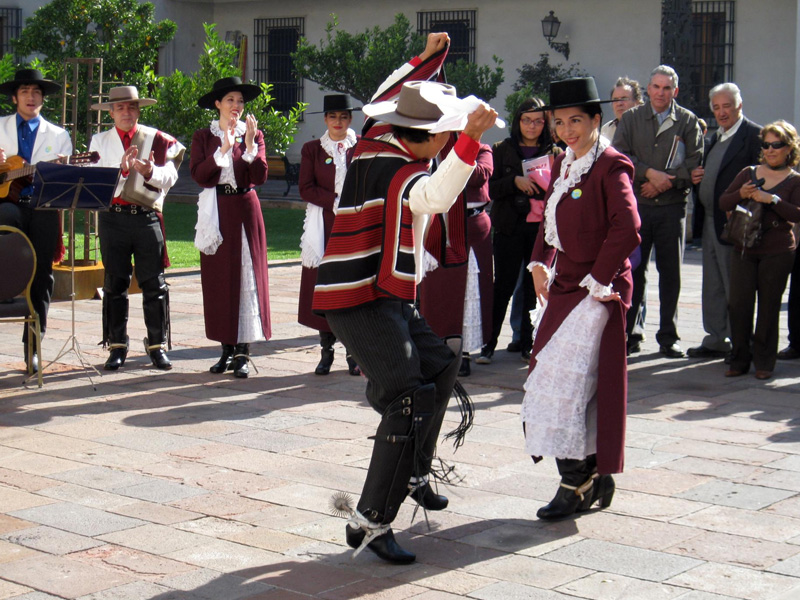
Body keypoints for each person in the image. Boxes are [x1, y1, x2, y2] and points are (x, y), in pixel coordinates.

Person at [313, 32, 498, 564]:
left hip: (381, 293)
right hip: (358, 299)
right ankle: (369, 521)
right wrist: (470, 139)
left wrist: (427, 57)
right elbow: (437, 197)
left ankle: (413, 470)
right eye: (444, 136)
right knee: (406, 398)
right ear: (431, 138)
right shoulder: (403, 171)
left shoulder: (376, 135)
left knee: (441, 364)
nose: (446, 143)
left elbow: (390, 91)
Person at [523, 77, 640, 521]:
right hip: (566, 284)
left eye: (576, 120)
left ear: (596, 119)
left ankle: (576, 481)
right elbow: (548, 219)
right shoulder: (563, 162)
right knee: (556, 379)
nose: (567, 130)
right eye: (559, 122)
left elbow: (628, 227)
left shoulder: (612, 165)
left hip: (599, 289)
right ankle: (590, 474)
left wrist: (597, 278)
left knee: (567, 384)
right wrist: (540, 261)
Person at [90, 86, 185, 371]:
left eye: (131, 107)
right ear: (111, 112)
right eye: (120, 108)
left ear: (138, 110)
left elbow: (171, 176)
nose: (126, 112)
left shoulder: (156, 138)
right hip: (113, 218)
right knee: (114, 284)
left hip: (146, 217)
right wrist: (121, 170)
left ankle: (157, 346)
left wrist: (150, 172)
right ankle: (117, 346)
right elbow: (95, 182)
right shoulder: (99, 140)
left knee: (154, 284)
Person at [613, 65, 703, 358]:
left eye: (667, 88)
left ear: (675, 91)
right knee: (634, 271)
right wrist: (649, 174)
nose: (661, 93)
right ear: (648, 89)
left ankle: (668, 337)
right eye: (656, 87)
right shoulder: (631, 118)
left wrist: (664, 183)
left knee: (671, 274)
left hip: (671, 208)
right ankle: (629, 333)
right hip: (638, 207)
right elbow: (620, 157)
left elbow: (694, 165)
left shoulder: (687, 121)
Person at [191, 77, 270, 378]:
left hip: (245, 210)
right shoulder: (204, 136)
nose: (236, 106)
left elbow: (259, 176)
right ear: (218, 104)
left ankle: (242, 352)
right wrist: (223, 149)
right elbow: (200, 175)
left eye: (240, 101)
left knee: (246, 276)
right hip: (217, 211)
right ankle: (225, 348)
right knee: (220, 280)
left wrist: (249, 146)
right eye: (230, 100)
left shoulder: (254, 134)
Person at [477, 97, 560, 365]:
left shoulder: (555, 152)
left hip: (540, 229)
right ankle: (488, 344)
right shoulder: (501, 149)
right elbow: (489, 189)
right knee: (503, 286)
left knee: (534, 289)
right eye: (526, 120)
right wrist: (515, 181)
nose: (532, 126)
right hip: (509, 226)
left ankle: (528, 343)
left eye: (538, 121)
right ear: (518, 121)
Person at [0, 69, 72, 373]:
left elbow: (66, 180)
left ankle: (33, 348)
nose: (31, 97)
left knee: (42, 275)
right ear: (14, 98)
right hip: (6, 207)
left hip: (42, 206)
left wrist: (58, 170)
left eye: (36, 92)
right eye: (25, 91)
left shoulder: (59, 136)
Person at [720, 120, 800, 380]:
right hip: (744, 247)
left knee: (768, 307)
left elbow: (797, 215)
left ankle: (764, 361)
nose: (770, 150)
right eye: (766, 145)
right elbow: (723, 202)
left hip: (777, 250)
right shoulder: (748, 173)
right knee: (739, 305)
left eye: (777, 145)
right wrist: (741, 193)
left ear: (789, 148)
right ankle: (739, 358)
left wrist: (773, 199)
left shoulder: (795, 180)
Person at [687, 83, 761, 360]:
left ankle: (742, 343)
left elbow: (761, 179)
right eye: (716, 107)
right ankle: (717, 338)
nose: (721, 112)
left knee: (736, 286)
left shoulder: (753, 135)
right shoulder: (715, 137)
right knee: (713, 284)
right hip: (710, 220)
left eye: (726, 106)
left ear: (739, 105)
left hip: (735, 223)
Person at [298, 94, 360, 376]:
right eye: (333, 116)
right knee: (324, 286)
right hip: (324, 223)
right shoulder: (312, 149)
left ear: (350, 119)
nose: (338, 122)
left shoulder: (361, 148)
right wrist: (334, 200)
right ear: (325, 119)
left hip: (355, 222)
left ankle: (353, 353)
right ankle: (326, 351)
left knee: (351, 287)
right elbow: (305, 188)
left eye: (344, 117)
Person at [418, 142, 493, 377]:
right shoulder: (432, 148)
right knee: (438, 292)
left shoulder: (482, 149)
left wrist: (455, 156)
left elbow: (480, 176)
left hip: (472, 226)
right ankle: (437, 347)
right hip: (440, 225)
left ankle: (465, 352)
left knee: (470, 290)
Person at [600, 77, 643, 144]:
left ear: (637, 102)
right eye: (615, 100)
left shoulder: (646, 128)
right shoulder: (606, 130)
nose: (619, 103)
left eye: (624, 99)